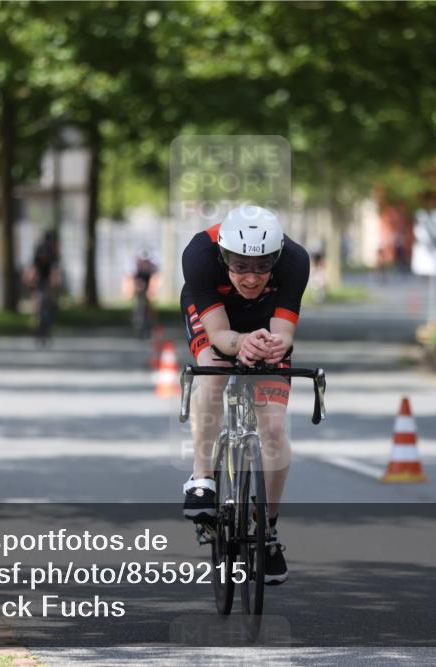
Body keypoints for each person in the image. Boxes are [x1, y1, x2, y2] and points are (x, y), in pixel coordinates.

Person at [180, 204, 310, 585]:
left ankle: (267, 529)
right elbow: (220, 337)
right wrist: (240, 345)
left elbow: (284, 334)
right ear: (223, 256)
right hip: (216, 317)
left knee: (273, 429)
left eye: (261, 266)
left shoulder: (295, 260)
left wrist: (271, 346)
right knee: (215, 372)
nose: (251, 278)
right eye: (239, 266)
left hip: (265, 321)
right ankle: (202, 477)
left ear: (278, 257)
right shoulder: (199, 255)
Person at [23, 230, 62, 343]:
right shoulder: (43, 249)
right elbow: (34, 268)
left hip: (47, 279)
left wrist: (54, 286)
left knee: (48, 303)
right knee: (38, 303)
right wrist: (31, 281)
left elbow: (54, 272)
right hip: (41, 279)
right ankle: (38, 326)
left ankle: (44, 327)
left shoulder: (52, 253)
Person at [129, 247, 160, 338]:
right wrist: (133, 290)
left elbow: (155, 278)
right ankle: (137, 322)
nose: (144, 263)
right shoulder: (134, 264)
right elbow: (130, 279)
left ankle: (151, 323)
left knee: (149, 305)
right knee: (139, 304)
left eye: (146, 261)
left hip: (148, 281)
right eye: (142, 261)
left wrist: (151, 291)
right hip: (139, 281)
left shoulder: (153, 265)